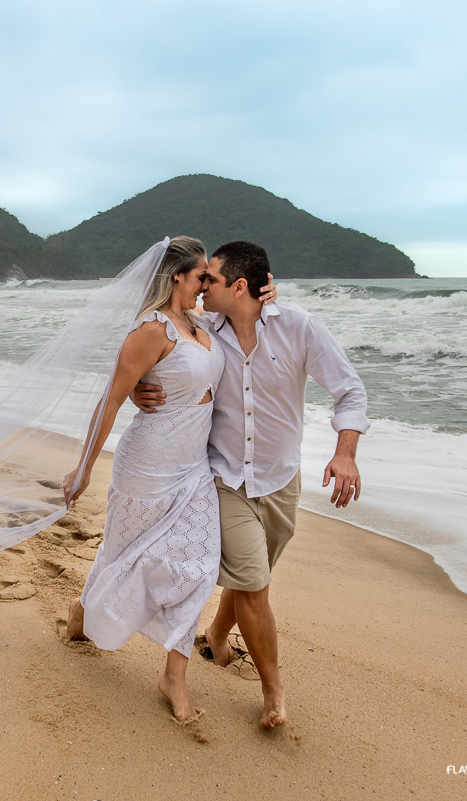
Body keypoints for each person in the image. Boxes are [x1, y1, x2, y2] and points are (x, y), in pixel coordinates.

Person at [132, 240, 368, 729]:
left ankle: (217, 637)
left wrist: (345, 454)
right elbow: (151, 348)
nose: (201, 287)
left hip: (281, 478)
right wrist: (138, 384)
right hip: (224, 476)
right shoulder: (203, 329)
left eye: (211, 280)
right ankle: (274, 691)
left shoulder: (299, 327)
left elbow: (350, 390)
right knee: (255, 584)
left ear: (240, 287)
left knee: (252, 575)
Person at [62, 236, 274, 723]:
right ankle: (83, 609)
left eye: (210, 277)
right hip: (147, 465)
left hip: (194, 468)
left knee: (198, 568)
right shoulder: (151, 329)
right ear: (176, 276)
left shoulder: (201, 323)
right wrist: (84, 467)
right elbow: (111, 399)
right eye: (201, 275)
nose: (207, 284)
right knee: (122, 555)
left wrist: (269, 294)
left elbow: (246, 313)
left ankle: (173, 676)